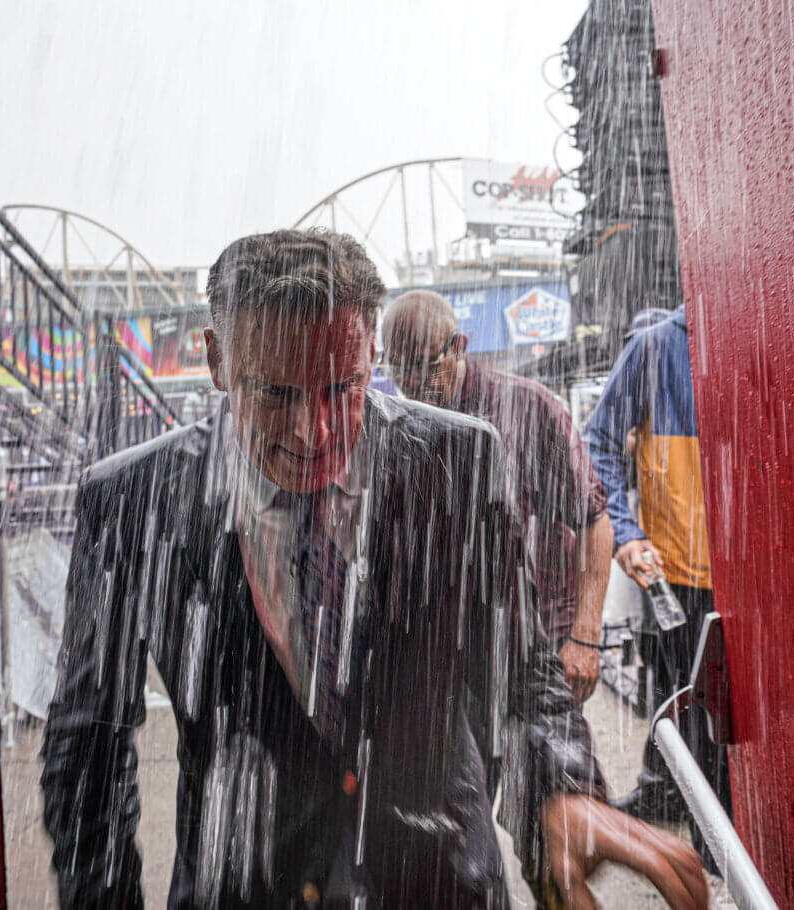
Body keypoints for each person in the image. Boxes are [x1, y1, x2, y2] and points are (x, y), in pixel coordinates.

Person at [42, 229, 708, 909]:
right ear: (216, 361)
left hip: (440, 879)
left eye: (342, 388)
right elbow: (86, 750)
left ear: (370, 359)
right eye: (274, 393)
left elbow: (516, 665)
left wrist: (561, 788)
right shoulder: (132, 501)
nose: (314, 432)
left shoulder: (459, 463)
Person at [380, 290, 613, 704]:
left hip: (538, 642)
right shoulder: (399, 427)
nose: (411, 384)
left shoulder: (529, 408)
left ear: (459, 346)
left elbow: (594, 522)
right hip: (450, 652)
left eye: (423, 365)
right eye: (397, 368)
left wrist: (586, 637)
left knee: (559, 766)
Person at [583, 304, 731, 869]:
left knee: (723, 715)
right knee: (689, 705)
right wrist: (625, 531)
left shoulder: (765, 321)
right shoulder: (655, 347)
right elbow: (598, 442)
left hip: (753, 584)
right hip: (683, 576)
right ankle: (711, 842)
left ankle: (699, 818)